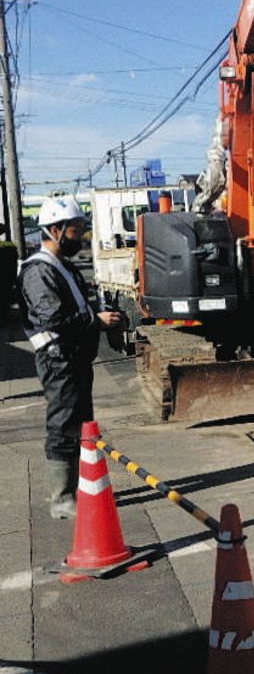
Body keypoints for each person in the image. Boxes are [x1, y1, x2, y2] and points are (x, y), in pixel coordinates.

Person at [18, 196, 123, 519]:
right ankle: (63, 500)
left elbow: (74, 310)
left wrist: (95, 314)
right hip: (57, 359)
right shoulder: (39, 271)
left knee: (82, 424)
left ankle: (83, 488)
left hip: (73, 357)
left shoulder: (63, 267)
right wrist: (96, 321)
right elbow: (53, 318)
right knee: (63, 425)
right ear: (55, 230)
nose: (80, 236)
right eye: (76, 230)